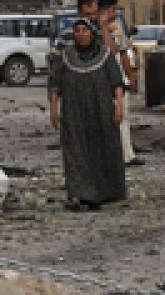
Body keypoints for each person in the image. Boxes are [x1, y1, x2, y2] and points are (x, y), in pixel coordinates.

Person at [48, 17, 126, 211]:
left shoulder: (105, 55)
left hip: (101, 112)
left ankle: (102, 194)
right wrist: (54, 110)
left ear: (92, 33)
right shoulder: (65, 56)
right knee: (76, 152)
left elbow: (116, 82)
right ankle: (78, 194)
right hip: (74, 114)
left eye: (85, 30)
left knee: (102, 150)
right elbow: (55, 84)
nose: (81, 34)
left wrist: (119, 107)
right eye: (78, 30)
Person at [96, 0, 140, 165]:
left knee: (123, 116)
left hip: (119, 78)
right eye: (113, 9)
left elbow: (122, 53)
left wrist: (130, 77)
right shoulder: (95, 28)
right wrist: (104, 27)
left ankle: (127, 155)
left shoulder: (117, 28)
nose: (116, 12)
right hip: (102, 79)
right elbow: (110, 49)